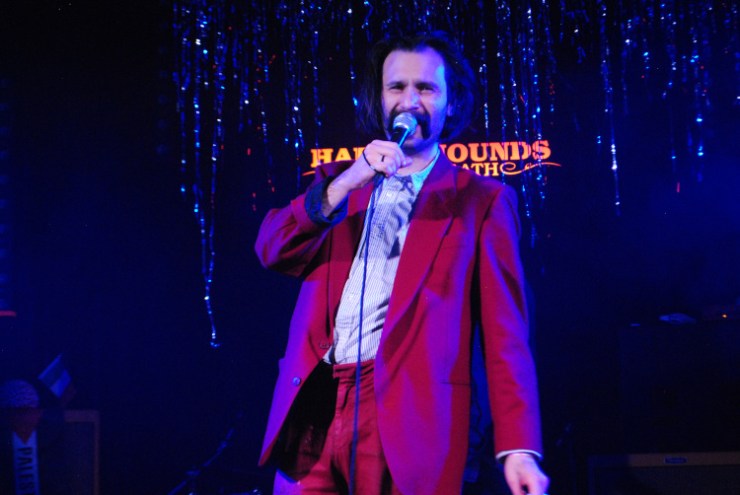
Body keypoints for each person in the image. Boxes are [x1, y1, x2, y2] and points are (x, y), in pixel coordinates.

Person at [255, 32, 549, 495]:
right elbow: (273, 248)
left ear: (451, 103)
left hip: (405, 415)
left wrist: (519, 448)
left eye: (426, 88)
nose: (409, 101)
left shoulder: (481, 201)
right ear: (379, 98)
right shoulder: (342, 186)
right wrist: (348, 180)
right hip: (315, 407)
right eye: (397, 87)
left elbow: (505, 336)